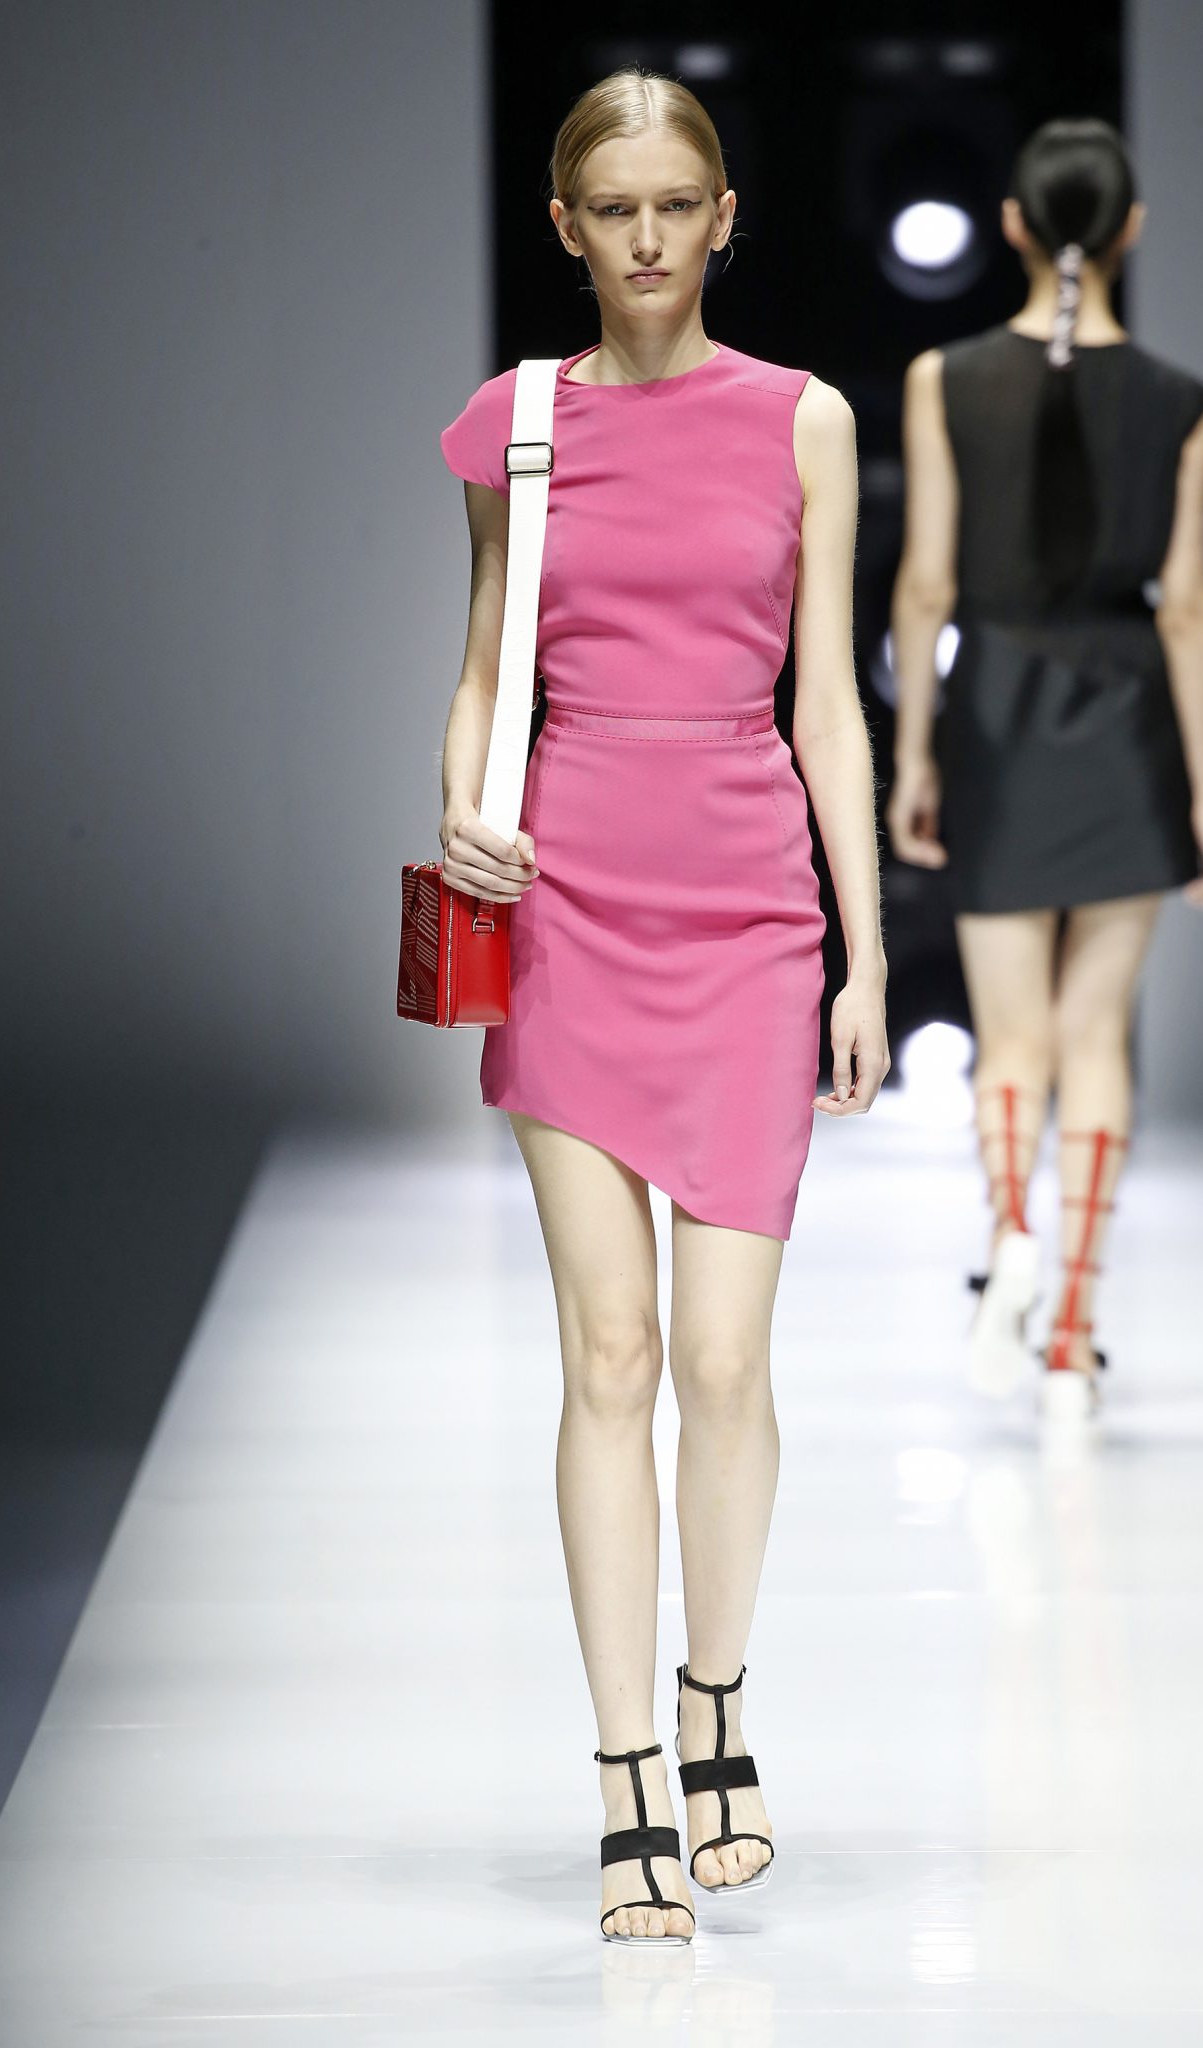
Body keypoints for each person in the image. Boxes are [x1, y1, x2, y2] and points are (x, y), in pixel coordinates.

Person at [436, 68, 889, 1943]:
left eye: (672, 207)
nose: (643, 241)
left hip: (748, 913)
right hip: (569, 903)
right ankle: (627, 1761)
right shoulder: (515, 425)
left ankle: (717, 1698)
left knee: (720, 1361)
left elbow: (826, 701)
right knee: (610, 1355)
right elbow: (487, 666)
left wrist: (865, 952)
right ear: (565, 225)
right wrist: (460, 807)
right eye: (609, 211)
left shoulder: (804, 421)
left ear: (722, 217)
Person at [886, 118, 1203, 1425]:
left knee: (1013, 1036)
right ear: (1132, 229)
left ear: (1013, 227)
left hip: (995, 706)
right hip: (1128, 715)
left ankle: (1011, 1236)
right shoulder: (1181, 402)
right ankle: (1072, 1332)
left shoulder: (945, 378)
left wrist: (913, 751)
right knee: (1095, 1035)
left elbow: (926, 583)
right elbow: (1185, 606)